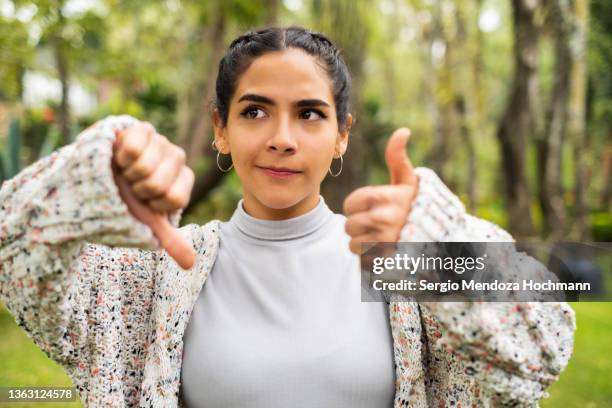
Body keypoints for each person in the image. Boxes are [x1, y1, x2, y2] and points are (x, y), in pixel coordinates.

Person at [0, 26, 575, 408]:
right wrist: (92, 177)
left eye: (309, 114)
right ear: (221, 129)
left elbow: (542, 350)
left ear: (342, 136)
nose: (282, 139)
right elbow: (15, 257)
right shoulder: (152, 276)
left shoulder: (403, 273)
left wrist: (441, 243)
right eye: (254, 111)